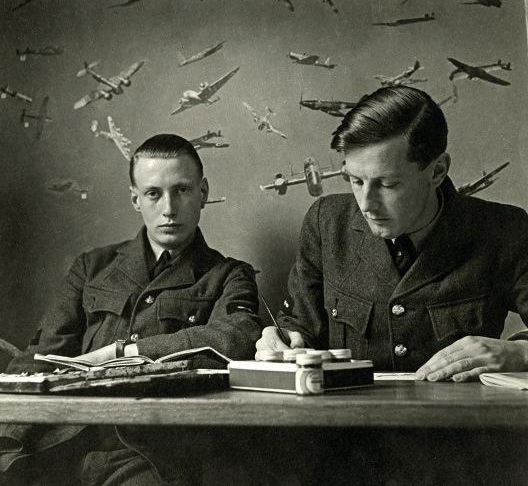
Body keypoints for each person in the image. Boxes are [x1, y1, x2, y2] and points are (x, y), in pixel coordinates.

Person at [0, 134, 261, 485]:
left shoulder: (229, 275)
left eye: (182, 190)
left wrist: (125, 352)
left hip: (150, 452)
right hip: (61, 443)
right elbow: (41, 358)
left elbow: (238, 339)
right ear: (135, 199)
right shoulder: (92, 267)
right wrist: (9, 439)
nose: (169, 208)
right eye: (153, 193)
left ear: (203, 192)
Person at [256, 86, 528, 381]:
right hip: (348, 411)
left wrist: (520, 353)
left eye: (387, 184)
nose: (366, 205)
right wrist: (282, 340)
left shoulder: (505, 230)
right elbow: (301, 327)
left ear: (437, 171)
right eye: (355, 181)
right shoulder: (326, 223)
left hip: (460, 411)